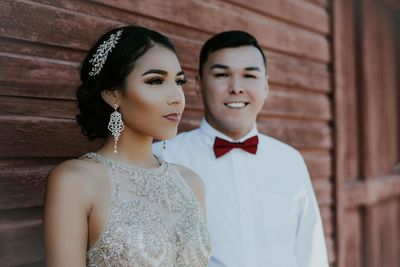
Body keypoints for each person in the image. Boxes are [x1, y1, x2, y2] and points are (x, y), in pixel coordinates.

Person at [154, 31, 329, 267]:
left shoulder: (290, 160)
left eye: (249, 75)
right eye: (222, 74)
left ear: (266, 86)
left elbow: (311, 254)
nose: (236, 87)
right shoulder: (163, 157)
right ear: (198, 84)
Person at [44, 26, 211, 267]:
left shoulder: (191, 183)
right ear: (113, 93)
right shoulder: (75, 181)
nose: (177, 97)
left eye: (179, 81)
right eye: (156, 81)